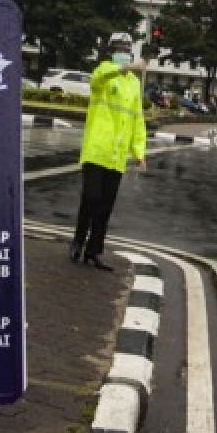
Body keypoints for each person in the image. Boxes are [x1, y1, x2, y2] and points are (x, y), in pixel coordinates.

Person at [70, 32, 147, 271]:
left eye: (126, 47)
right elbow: (98, 79)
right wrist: (122, 68)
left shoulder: (134, 83)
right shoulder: (103, 72)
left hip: (117, 156)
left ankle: (94, 251)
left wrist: (139, 152)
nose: (123, 51)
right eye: (119, 47)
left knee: (105, 205)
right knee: (91, 197)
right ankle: (78, 241)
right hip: (96, 149)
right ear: (111, 50)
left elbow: (137, 119)